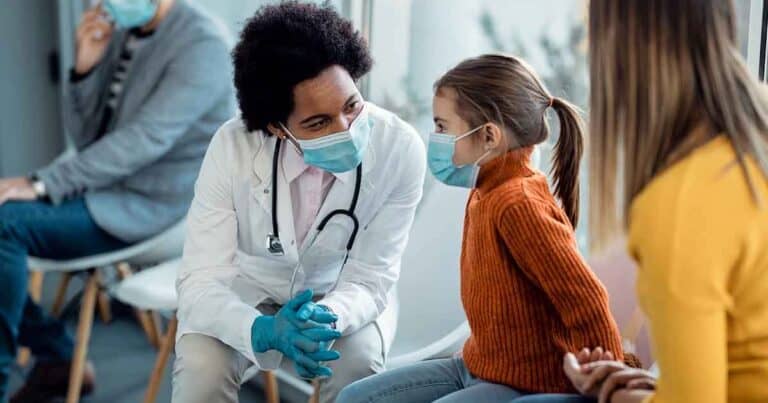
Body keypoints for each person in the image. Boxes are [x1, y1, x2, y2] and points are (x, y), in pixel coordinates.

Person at [171, 2, 426, 403]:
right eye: (318, 123)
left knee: (357, 369)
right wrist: (262, 330)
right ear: (277, 128)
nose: (346, 130)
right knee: (202, 371)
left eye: (351, 106)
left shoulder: (400, 147)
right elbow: (200, 281)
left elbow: (371, 276)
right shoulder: (233, 147)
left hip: (343, 291)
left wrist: (328, 318)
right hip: (249, 288)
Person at [336, 54, 626, 403]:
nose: (434, 137)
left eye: (442, 127)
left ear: (488, 135)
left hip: (527, 381)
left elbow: (585, 298)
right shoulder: (483, 190)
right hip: (477, 366)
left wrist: (608, 382)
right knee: (354, 398)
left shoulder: (518, 204)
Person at [0, 0, 234, 401]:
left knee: (7, 226)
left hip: (154, 209)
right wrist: (85, 68)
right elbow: (89, 138)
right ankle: (56, 354)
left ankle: (50, 357)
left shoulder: (203, 44)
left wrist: (41, 183)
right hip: (106, 190)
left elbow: (143, 140)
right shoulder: (126, 34)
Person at [561, 0, 768, 402]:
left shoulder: (680, 200)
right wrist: (656, 386)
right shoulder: (748, 153)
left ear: (619, 50)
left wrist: (619, 397)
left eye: (590, 36)